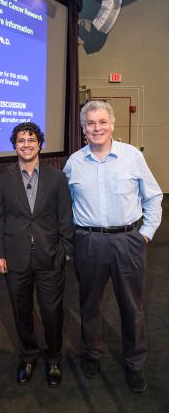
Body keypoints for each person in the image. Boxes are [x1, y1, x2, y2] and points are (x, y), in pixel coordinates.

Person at [63, 100, 163, 393]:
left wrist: (145, 233)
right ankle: (91, 354)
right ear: (83, 129)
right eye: (90, 123)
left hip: (128, 241)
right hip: (89, 241)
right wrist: (75, 236)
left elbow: (153, 196)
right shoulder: (74, 162)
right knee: (89, 303)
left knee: (132, 307)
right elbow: (64, 203)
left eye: (102, 122)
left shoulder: (132, 156)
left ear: (112, 124)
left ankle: (135, 363)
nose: (97, 128)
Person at [0, 122, 74, 387]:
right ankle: (28, 356)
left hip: (50, 258)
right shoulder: (2, 179)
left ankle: (54, 357)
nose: (26, 144)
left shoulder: (57, 178)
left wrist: (64, 252)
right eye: (21, 140)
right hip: (15, 259)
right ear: (14, 145)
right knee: (21, 311)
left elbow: (65, 219)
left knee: (52, 313)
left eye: (32, 140)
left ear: (40, 144)